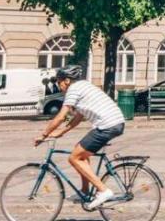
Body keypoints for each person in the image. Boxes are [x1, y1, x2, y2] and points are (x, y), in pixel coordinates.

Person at [33, 66, 125, 210]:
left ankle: (104, 190)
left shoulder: (73, 90)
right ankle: (85, 191)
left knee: (74, 158)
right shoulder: (84, 86)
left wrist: (44, 135)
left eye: (59, 82)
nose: (59, 85)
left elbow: (61, 116)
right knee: (81, 151)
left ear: (67, 81)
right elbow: (79, 116)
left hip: (107, 125)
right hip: (114, 123)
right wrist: (62, 132)